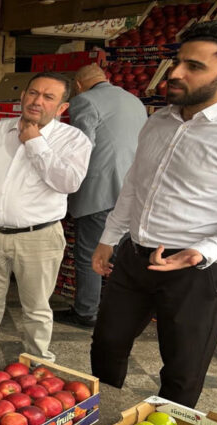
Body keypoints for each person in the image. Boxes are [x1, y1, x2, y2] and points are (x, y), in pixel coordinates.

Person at [90, 21, 217, 408]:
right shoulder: (157, 121)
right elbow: (135, 185)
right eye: (177, 61)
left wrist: (203, 251)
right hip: (135, 256)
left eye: (194, 66)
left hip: (199, 269)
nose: (175, 72)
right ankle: (103, 419)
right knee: (107, 344)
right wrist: (110, 237)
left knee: (183, 367)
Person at [0, 72, 92, 373]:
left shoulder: (73, 139)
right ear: (23, 96)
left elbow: (68, 182)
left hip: (38, 237)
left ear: (62, 108)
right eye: (33, 93)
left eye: (48, 97)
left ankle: (37, 357)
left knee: (37, 306)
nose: (37, 101)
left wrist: (36, 143)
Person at [53, 63, 147, 328]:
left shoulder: (85, 100)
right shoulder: (134, 101)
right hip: (131, 190)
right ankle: (131, 309)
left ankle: (85, 312)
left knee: (89, 254)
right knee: (124, 254)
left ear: (79, 85)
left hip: (100, 190)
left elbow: (82, 147)